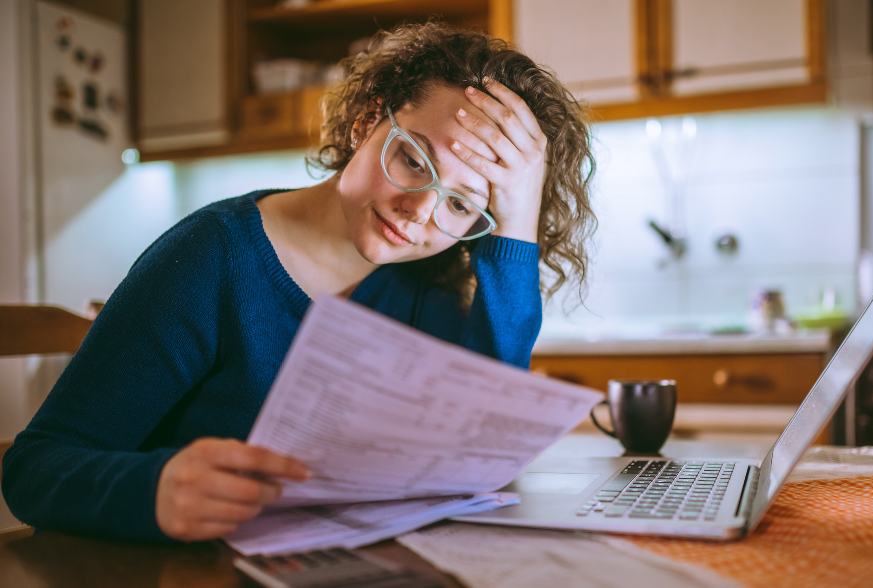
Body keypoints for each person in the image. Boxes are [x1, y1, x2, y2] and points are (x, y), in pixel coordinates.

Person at [1, 22, 596, 543]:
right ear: (368, 121)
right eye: (414, 160)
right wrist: (155, 489)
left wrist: (517, 225)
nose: (419, 212)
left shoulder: (426, 285)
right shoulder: (211, 257)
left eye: (462, 205)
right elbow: (34, 469)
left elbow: (481, 452)